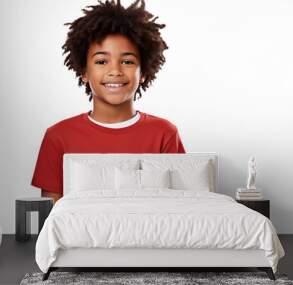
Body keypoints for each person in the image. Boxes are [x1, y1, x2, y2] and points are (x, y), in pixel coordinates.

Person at [31, 0, 186, 203]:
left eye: (128, 61)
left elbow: (179, 207)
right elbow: (52, 216)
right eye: (101, 61)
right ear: (84, 72)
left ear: (144, 73)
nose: (115, 71)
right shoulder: (58, 137)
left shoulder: (165, 134)